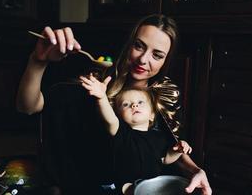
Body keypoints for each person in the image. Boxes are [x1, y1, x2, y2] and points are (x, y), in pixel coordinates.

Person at [16, 14, 212, 195]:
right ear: (129, 44)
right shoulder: (95, 82)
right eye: (139, 46)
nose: (143, 59)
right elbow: (28, 107)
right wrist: (37, 61)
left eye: (157, 55)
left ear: (166, 61)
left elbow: (170, 145)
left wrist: (196, 170)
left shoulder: (164, 96)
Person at [80, 73, 192, 194]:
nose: (134, 105)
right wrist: (102, 98)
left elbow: (165, 159)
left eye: (140, 102)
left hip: (150, 189)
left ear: (152, 115)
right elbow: (110, 119)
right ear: (119, 116)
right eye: (126, 104)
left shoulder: (158, 137)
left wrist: (178, 151)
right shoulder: (121, 132)